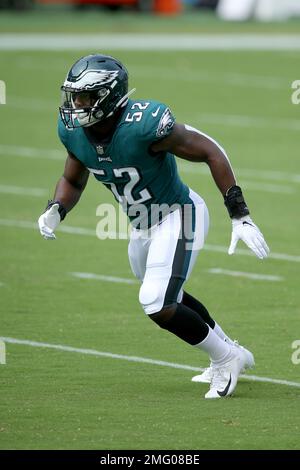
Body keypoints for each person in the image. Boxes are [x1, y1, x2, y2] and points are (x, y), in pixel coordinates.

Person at [38, 54, 269, 399]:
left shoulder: (144, 125)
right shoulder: (74, 132)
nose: (76, 105)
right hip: (142, 225)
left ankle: (227, 358)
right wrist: (57, 208)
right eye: (74, 96)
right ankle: (229, 348)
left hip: (178, 214)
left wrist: (239, 213)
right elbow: (73, 177)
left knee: (156, 302)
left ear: (109, 97)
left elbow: (211, 151)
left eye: (85, 97)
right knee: (167, 294)